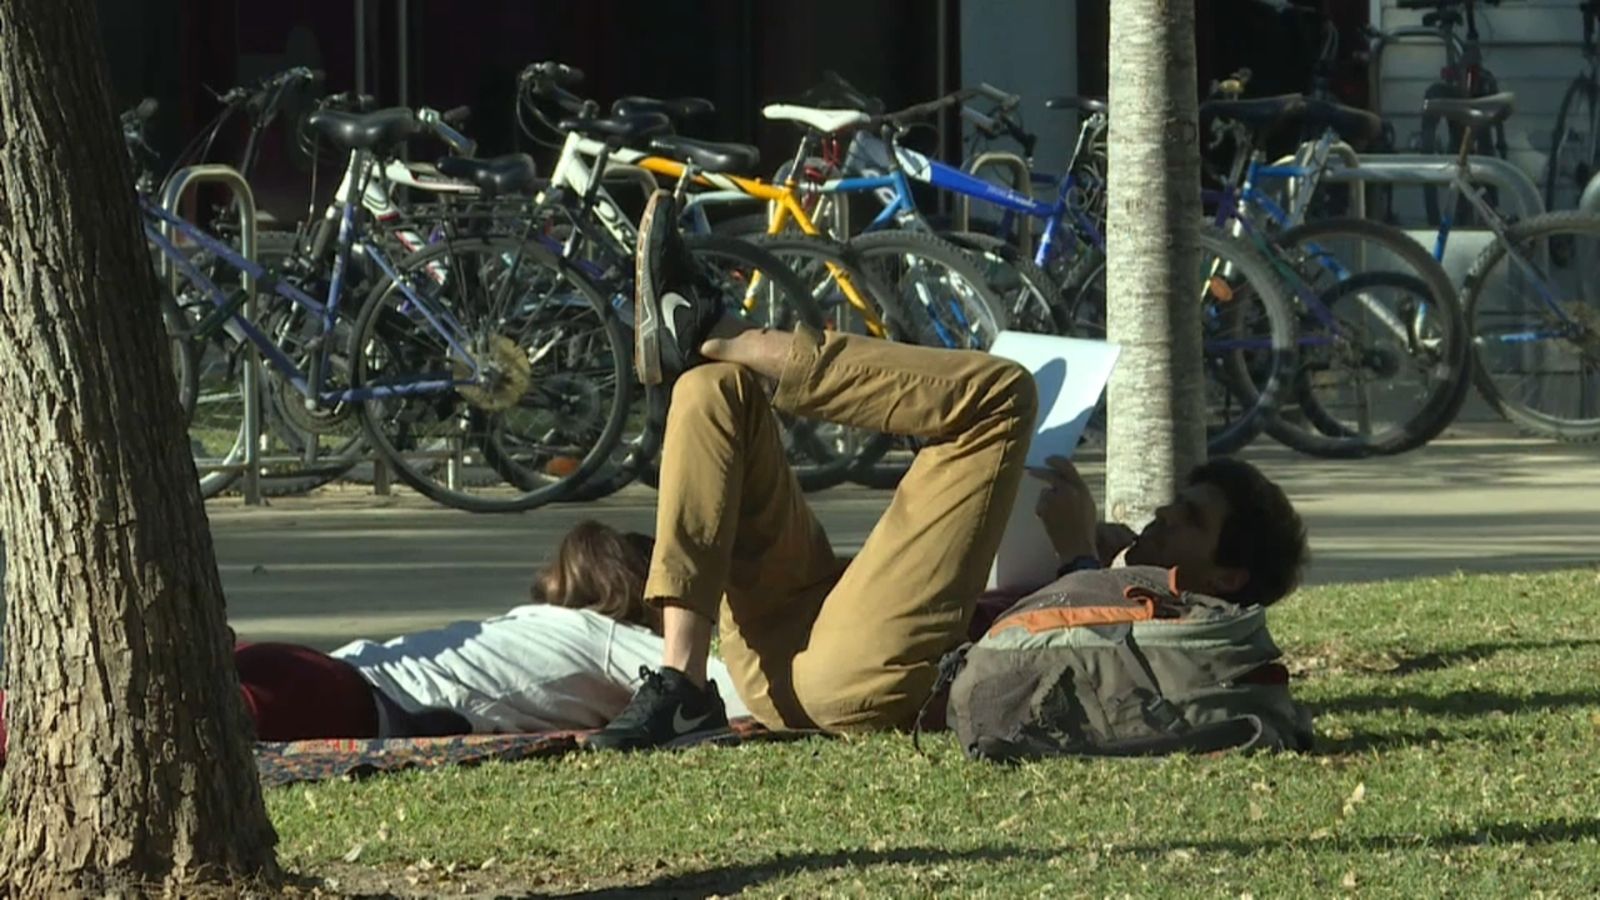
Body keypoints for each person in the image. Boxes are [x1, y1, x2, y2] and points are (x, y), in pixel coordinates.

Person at [587, 189, 1309, 751]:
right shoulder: (1125, 564)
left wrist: (1079, 560)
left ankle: (721, 331)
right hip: (791, 641)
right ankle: (682, 685)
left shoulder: (1191, 621)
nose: (1164, 516)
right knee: (715, 390)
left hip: (859, 681)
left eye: (1191, 520)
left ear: (1228, 577)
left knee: (1003, 393)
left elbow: (1083, 674)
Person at [0, 521, 750, 765]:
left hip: (330, 670)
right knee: (140, 722)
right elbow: (733, 694)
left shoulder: (549, 626)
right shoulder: (609, 640)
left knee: (105, 701)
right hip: (354, 699)